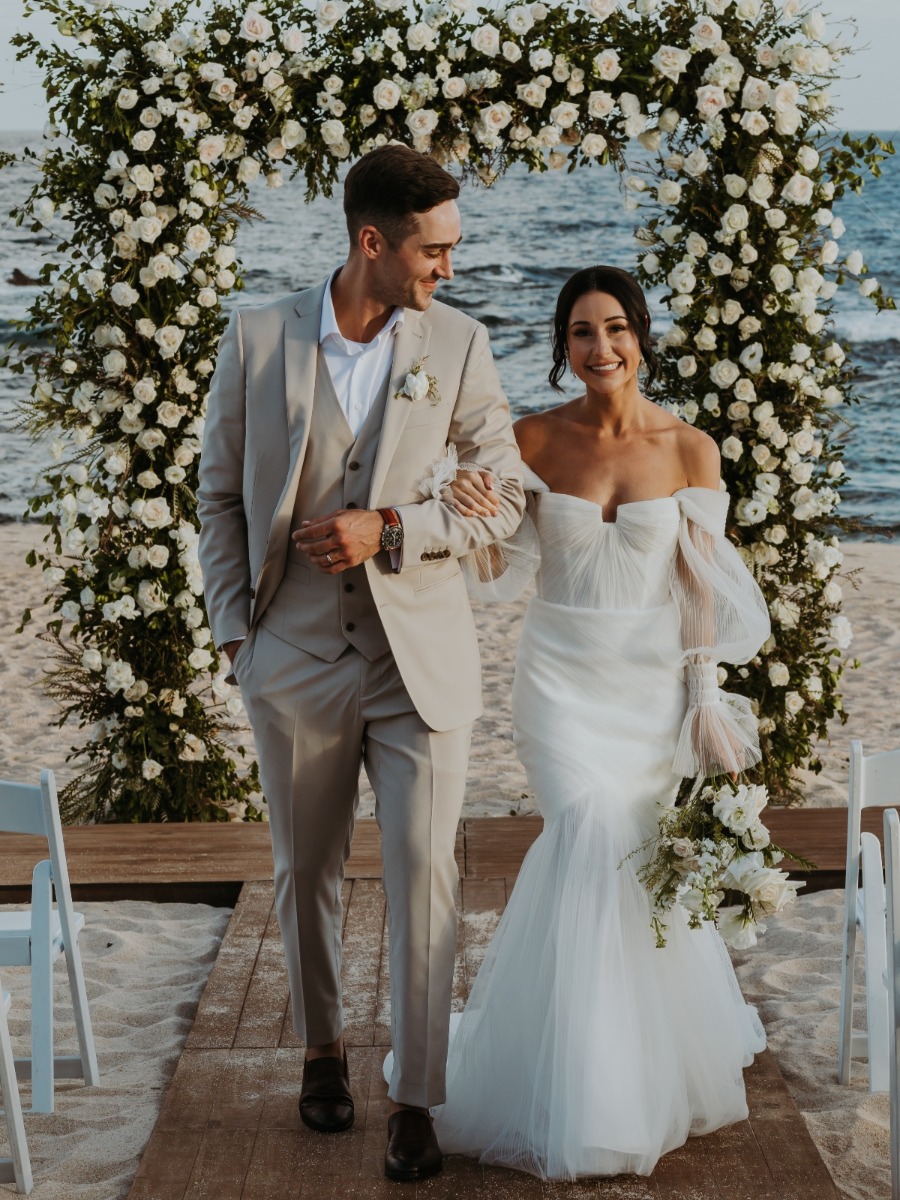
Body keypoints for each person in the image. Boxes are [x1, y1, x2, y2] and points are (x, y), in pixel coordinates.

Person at [196, 144, 525, 1182]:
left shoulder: (460, 344)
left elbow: (503, 493)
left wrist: (393, 525)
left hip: (415, 654)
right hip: (289, 651)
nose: (450, 269)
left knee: (426, 878)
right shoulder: (256, 340)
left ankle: (418, 1097)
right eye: (435, 250)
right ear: (371, 243)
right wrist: (236, 635)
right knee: (307, 872)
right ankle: (322, 1051)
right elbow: (214, 497)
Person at [420, 265, 772, 1179]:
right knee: (586, 829)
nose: (601, 347)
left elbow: (698, 585)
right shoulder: (531, 439)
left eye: (615, 328)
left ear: (642, 336)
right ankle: (580, 1085)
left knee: (635, 854)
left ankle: (629, 1074)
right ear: (562, 347)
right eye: (582, 332)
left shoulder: (691, 449)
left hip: (650, 683)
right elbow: (493, 559)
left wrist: (703, 698)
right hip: (560, 681)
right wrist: (467, 506)